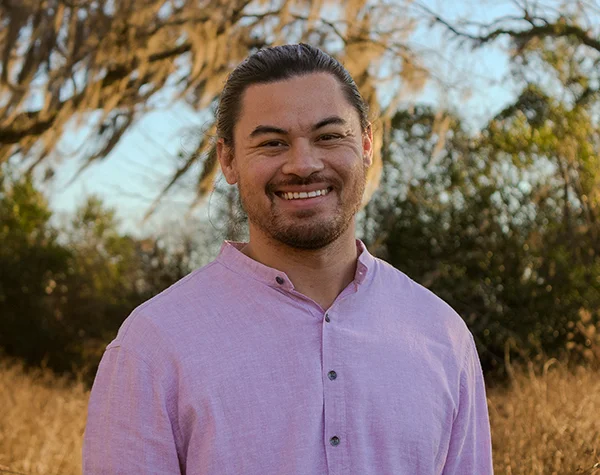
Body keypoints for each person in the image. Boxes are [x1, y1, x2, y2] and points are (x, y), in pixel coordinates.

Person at [82, 43, 494, 474]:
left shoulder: (442, 335)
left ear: (368, 144)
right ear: (228, 159)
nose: (303, 164)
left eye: (329, 136)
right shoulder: (153, 345)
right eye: (273, 143)